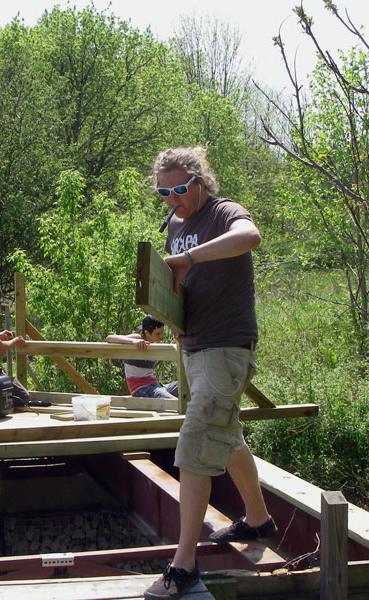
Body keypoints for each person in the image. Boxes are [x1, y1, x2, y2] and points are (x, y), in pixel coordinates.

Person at [143, 147, 276, 600]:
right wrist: (161, 317)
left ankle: (184, 565)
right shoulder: (175, 226)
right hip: (194, 347)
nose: (172, 198)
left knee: (195, 444)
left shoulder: (223, 213)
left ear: (200, 181)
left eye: (179, 188)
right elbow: (179, 284)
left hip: (226, 347)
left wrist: (190, 259)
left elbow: (251, 236)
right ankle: (258, 520)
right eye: (164, 192)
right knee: (228, 434)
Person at [106, 315, 178, 399]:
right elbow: (109, 338)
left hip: (155, 385)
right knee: (174, 402)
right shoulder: (138, 338)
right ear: (147, 332)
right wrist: (133, 341)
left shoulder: (155, 343)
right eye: (158, 333)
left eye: (162, 332)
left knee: (185, 385)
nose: (161, 336)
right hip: (141, 389)